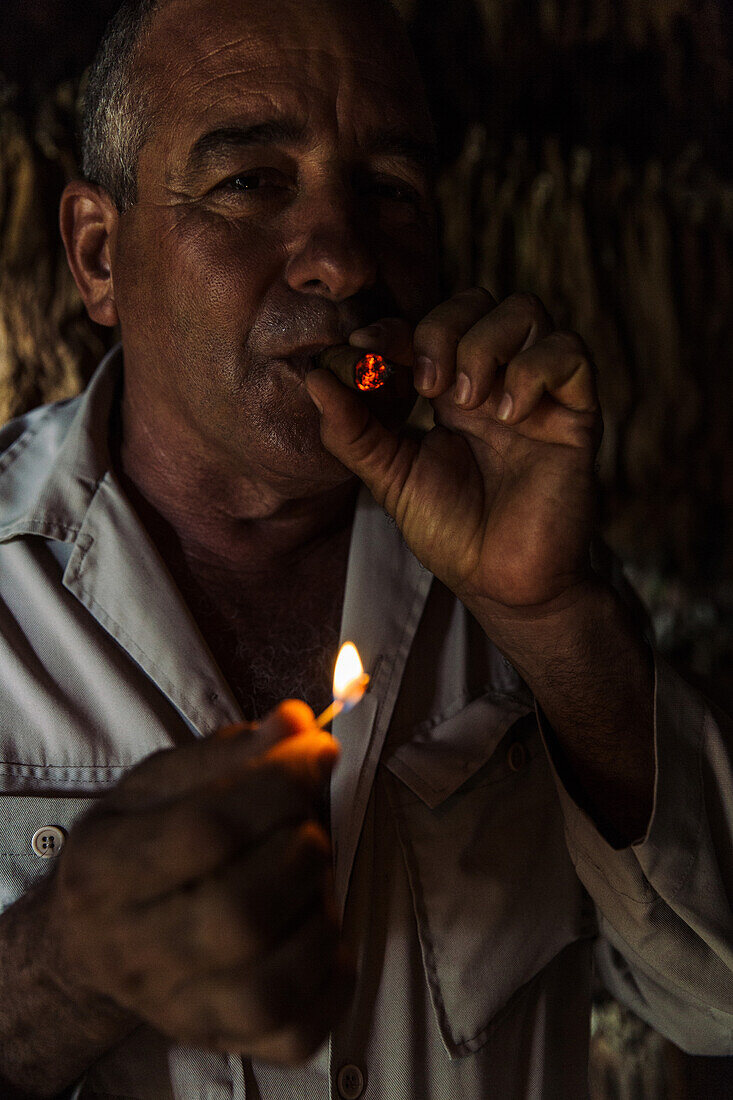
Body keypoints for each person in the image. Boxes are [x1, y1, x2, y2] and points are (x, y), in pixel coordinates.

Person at [0, 0, 731, 1096]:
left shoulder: (512, 568)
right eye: (250, 182)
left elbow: (715, 999)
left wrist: (552, 615)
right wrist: (60, 971)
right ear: (100, 256)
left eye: (390, 191)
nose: (342, 261)